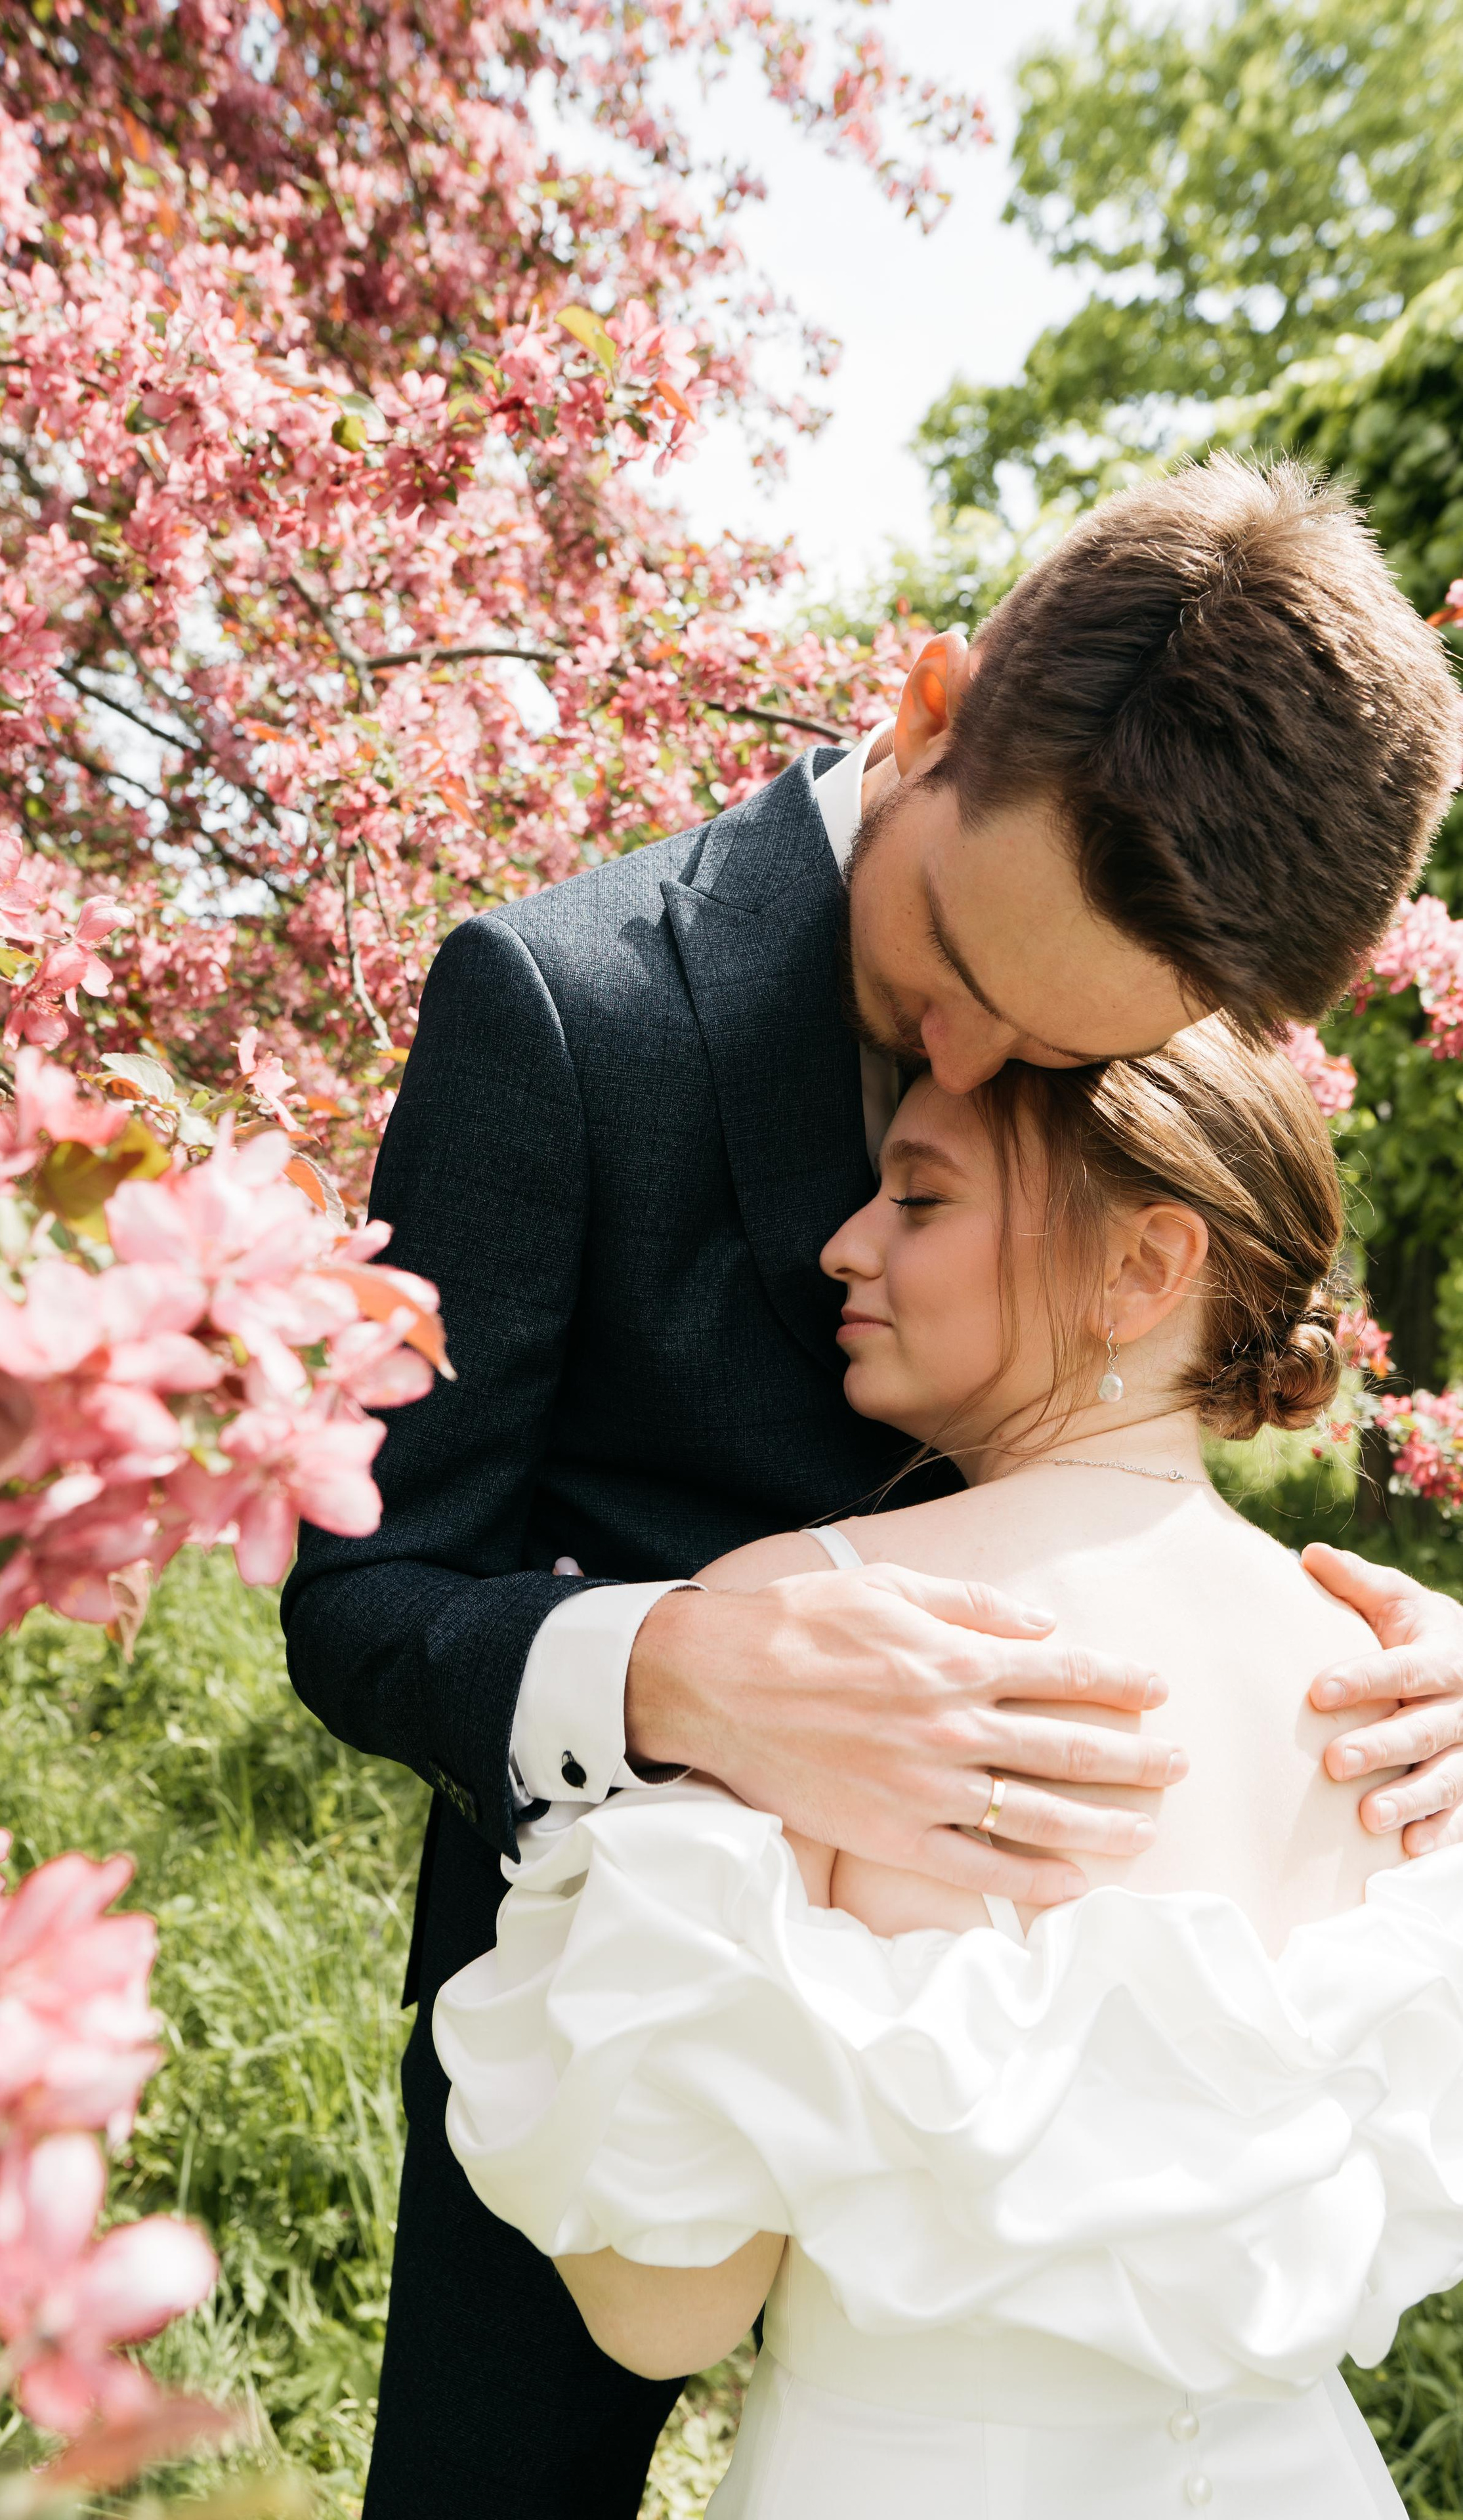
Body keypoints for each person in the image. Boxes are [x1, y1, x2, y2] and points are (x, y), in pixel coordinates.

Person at [281, 453, 1463, 2519]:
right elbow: (363, 1601)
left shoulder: (1145, 942)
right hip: (634, 2011)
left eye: (1060, 1048)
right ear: (928, 715)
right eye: (957, 979)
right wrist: (678, 1676)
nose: (973, 1067)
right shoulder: (563, 1009)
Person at [436, 1021, 1463, 2517]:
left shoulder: (807, 1633)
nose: (843, 1246)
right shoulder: (1402, 1680)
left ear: (1143, 1267)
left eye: (920, 1198)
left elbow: (664, 2312)